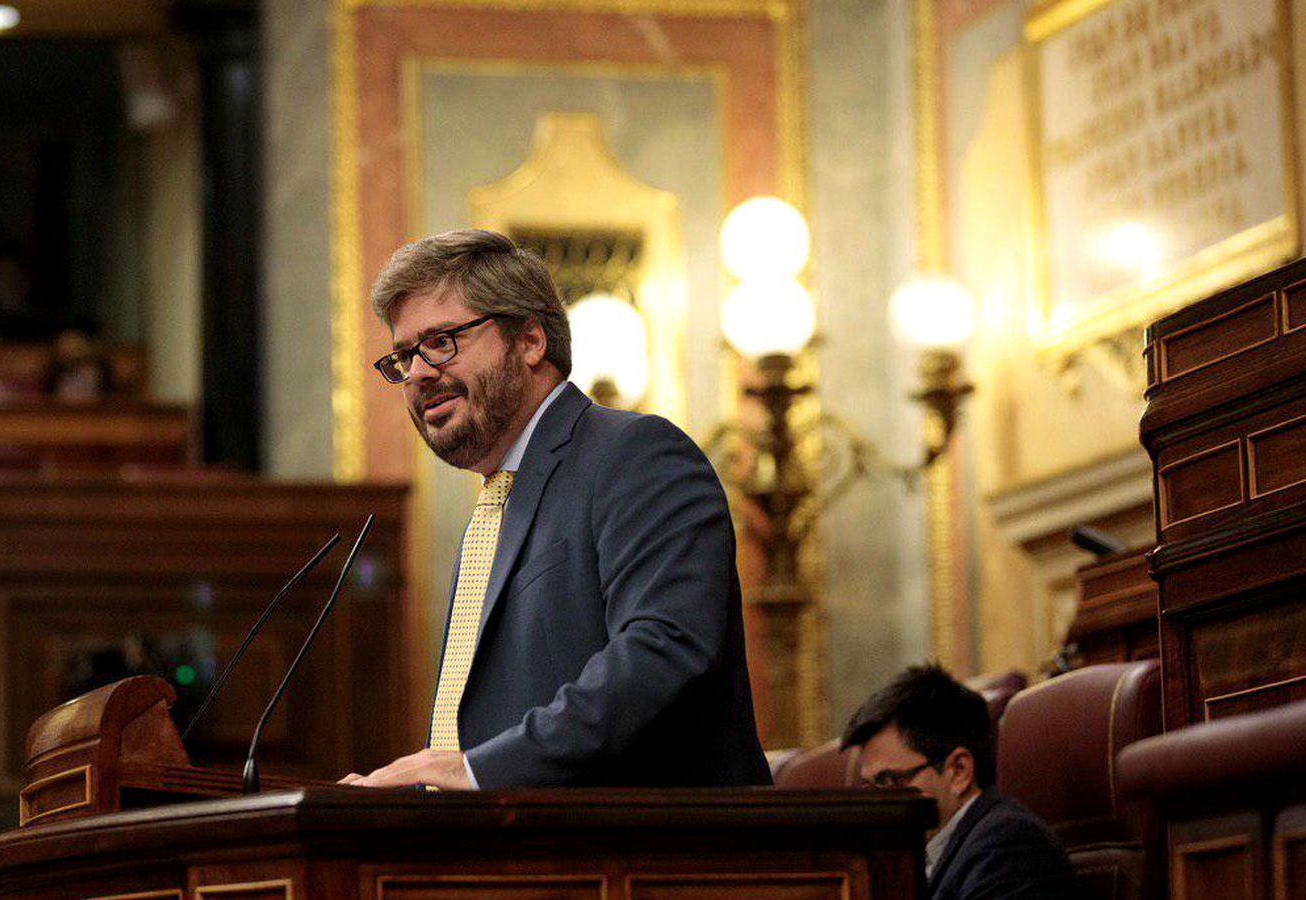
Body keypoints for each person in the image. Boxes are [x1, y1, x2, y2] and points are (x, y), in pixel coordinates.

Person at [341, 229, 768, 790]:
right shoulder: (496, 507)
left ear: (531, 341)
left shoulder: (634, 454)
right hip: (517, 855)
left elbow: (664, 652)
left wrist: (473, 772)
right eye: (403, 356)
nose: (417, 372)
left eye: (441, 341)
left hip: (648, 857)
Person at [842, 664, 1080, 900]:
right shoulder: (916, 855)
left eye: (890, 781)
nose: (876, 803)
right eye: (870, 787)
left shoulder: (1010, 845)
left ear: (959, 771)